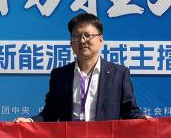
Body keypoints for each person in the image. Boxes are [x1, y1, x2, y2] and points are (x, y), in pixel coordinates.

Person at [14, 13, 144, 122]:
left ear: (100, 39)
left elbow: (130, 111)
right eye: (76, 36)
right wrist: (30, 121)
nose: (82, 40)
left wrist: (143, 119)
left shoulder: (119, 74)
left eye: (88, 35)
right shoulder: (60, 75)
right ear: (71, 42)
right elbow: (50, 113)